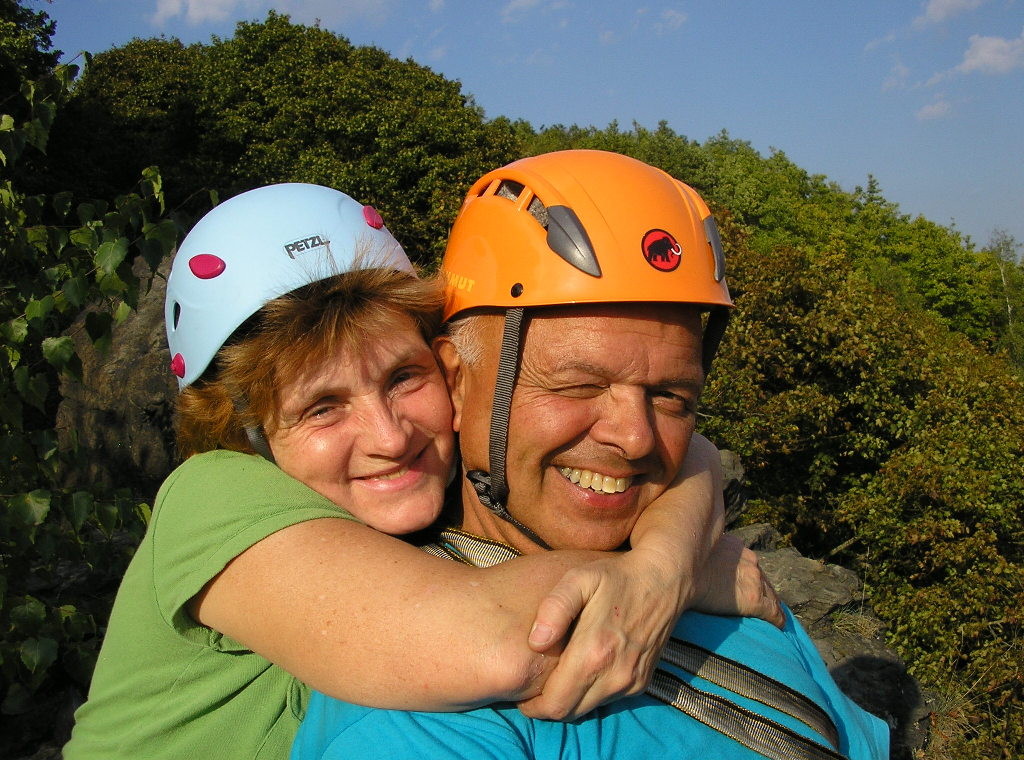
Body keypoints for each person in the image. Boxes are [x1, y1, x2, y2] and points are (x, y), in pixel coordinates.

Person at [64, 183, 778, 760]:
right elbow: (497, 645)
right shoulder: (211, 496)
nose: (389, 436)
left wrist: (665, 555)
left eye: (404, 378)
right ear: (245, 430)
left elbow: (694, 452)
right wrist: (670, 578)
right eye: (321, 408)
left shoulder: (412, 509)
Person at [291, 151, 890, 759]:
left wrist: (670, 567)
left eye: (670, 396)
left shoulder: (730, 582)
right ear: (457, 381)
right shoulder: (417, 706)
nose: (635, 438)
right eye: (577, 385)